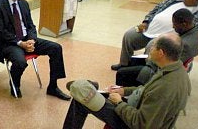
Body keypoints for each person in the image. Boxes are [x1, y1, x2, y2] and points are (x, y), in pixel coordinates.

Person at [63, 33, 191, 129]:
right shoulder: (175, 70)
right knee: (83, 96)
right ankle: (89, 87)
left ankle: (87, 87)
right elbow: (147, 90)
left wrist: (119, 103)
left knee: (82, 97)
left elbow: (140, 124)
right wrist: (124, 90)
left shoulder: (165, 88)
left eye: (153, 47)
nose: (150, 50)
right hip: (138, 109)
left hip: (132, 122)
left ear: (161, 53)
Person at [0, 0, 70, 100]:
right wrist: (20, 43)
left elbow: (31, 25)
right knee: (20, 62)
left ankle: (53, 86)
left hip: (27, 39)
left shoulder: (24, 3)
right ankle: (15, 84)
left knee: (56, 48)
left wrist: (32, 39)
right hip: (9, 43)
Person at [111, 0, 198, 71]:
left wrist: (195, 36)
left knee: (151, 47)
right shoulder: (174, 0)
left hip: (165, 38)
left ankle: (144, 72)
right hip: (150, 29)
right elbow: (155, 10)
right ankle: (124, 64)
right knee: (129, 36)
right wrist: (145, 22)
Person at [116, 8, 198, 86]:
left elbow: (166, 65)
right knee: (132, 61)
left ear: (184, 23)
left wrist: (151, 58)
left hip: (157, 70)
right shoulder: (192, 33)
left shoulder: (186, 44)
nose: (173, 26)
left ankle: (129, 95)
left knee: (121, 73)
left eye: (175, 24)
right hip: (160, 62)